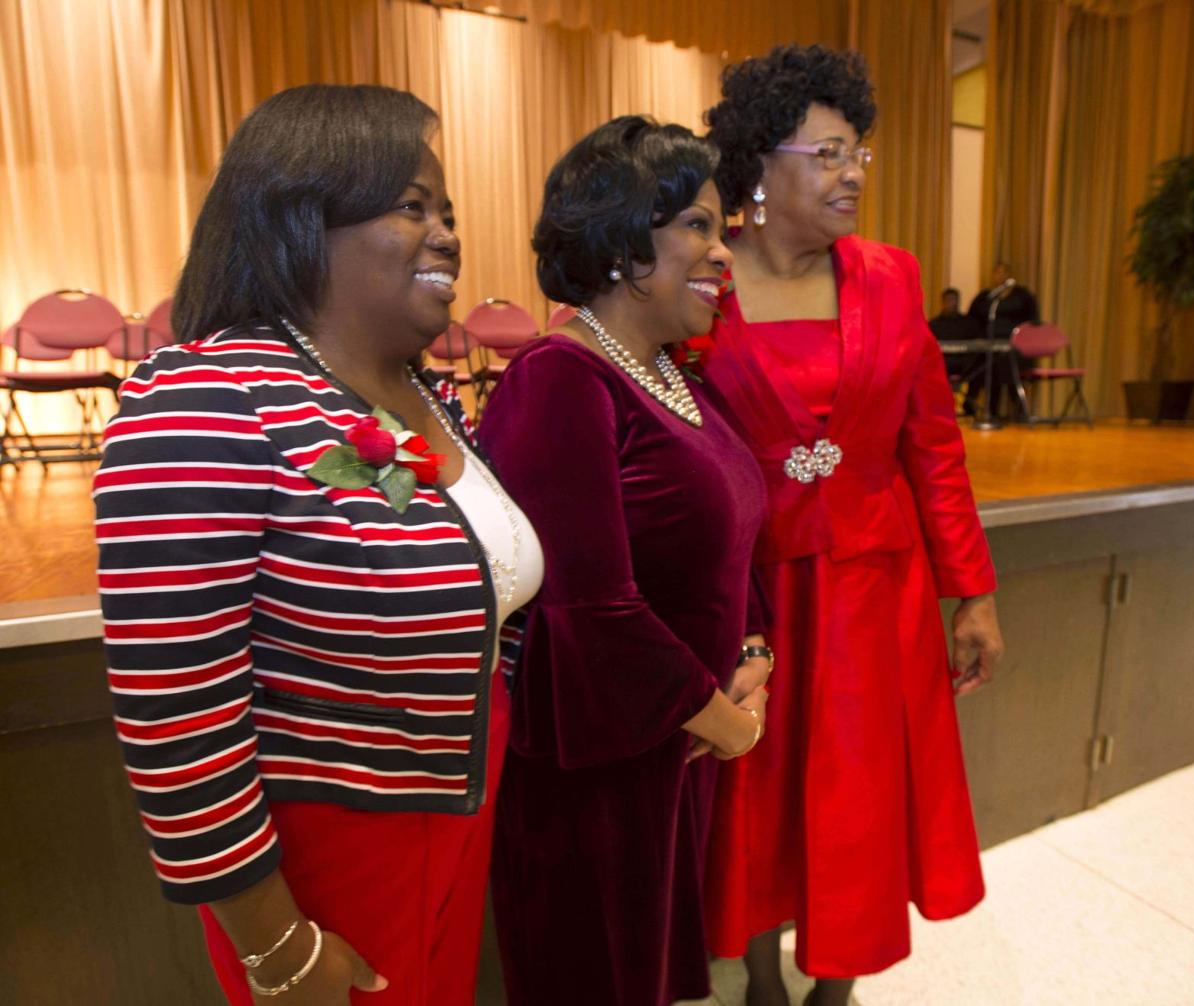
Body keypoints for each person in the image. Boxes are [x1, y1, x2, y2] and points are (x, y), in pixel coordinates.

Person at [94, 84, 543, 1006]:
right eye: (412, 205)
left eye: (449, 211)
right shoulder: (206, 397)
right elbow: (175, 715)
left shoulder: (430, 399)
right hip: (324, 861)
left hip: (462, 797)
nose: (450, 235)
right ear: (302, 218)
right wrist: (277, 950)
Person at [702, 45, 1005, 1006]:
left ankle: (836, 986)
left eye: (858, 155)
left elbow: (935, 449)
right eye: (827, 154)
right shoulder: (700, 285)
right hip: (753, 593)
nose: (851, 176)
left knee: (857, 801)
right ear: (760, 163)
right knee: (753, 794)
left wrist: (976, 594)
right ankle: (756, 975)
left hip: (877, 593)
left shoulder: (891, 278)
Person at [477, 116, 770, 1006]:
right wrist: (723, 720)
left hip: (675, 748)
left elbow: (740, 539)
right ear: (620, 237)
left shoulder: (677, 375)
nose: (725, 252)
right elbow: (589, 608)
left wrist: (755, 651)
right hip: (596, 784)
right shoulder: (559, 381)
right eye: (699, 226)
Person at [966, 263, 1041, 418]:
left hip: (1016, 347)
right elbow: (972, 320)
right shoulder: (986, 297)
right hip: (989, 346)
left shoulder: (1022, 295)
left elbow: (1033, 320)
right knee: (985, 362)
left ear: (1010, 275)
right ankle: (979, 404)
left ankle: (1016, 408)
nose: (1000, 276)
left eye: (1004, 272)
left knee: (1004, 362)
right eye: (997, 272)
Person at [929, 287, 984, 413]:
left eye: (954, 300)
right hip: (941, 364)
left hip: (965, 365)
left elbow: (978, 343)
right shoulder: (934, 324)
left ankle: (969, 404)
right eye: (948, 300)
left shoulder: (968, 323)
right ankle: (937, 407)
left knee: (982, 368)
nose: (951, 303)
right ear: (942, 302)